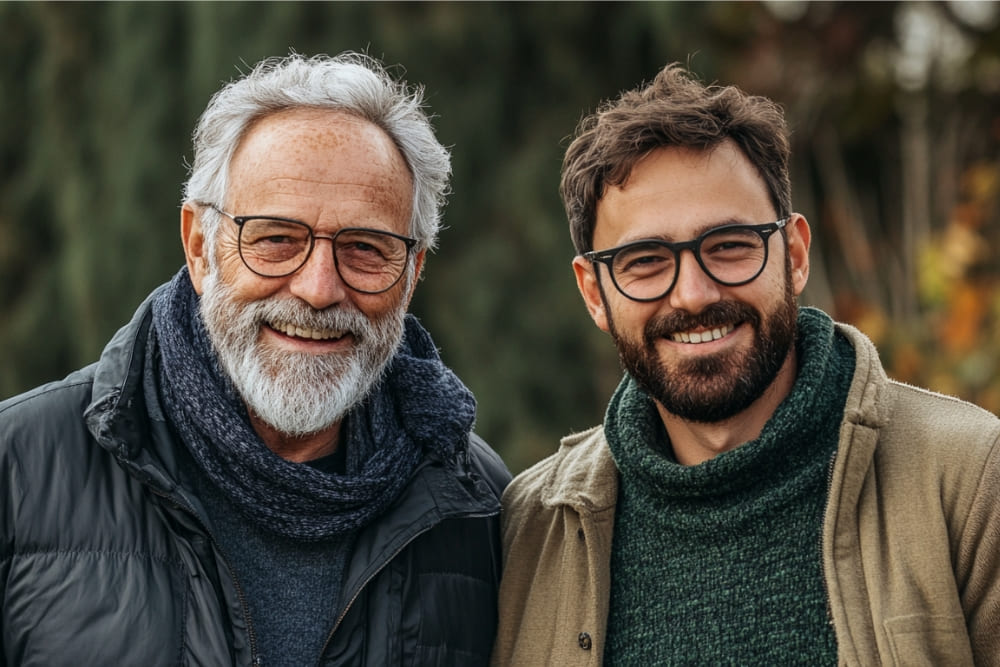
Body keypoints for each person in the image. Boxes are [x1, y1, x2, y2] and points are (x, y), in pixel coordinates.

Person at [0, 52, 510, 666]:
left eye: (366, 248)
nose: (319, 288)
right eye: (275, 239)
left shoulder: (477, 503)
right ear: (199, 246)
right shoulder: (18, 470)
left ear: (412, 272)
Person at [492, 62, 1000, 666]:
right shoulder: (528, 528)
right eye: (646, 260)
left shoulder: (970, 481)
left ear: (795, 254)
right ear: (595, 292)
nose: (694, 294)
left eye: (729, 246)